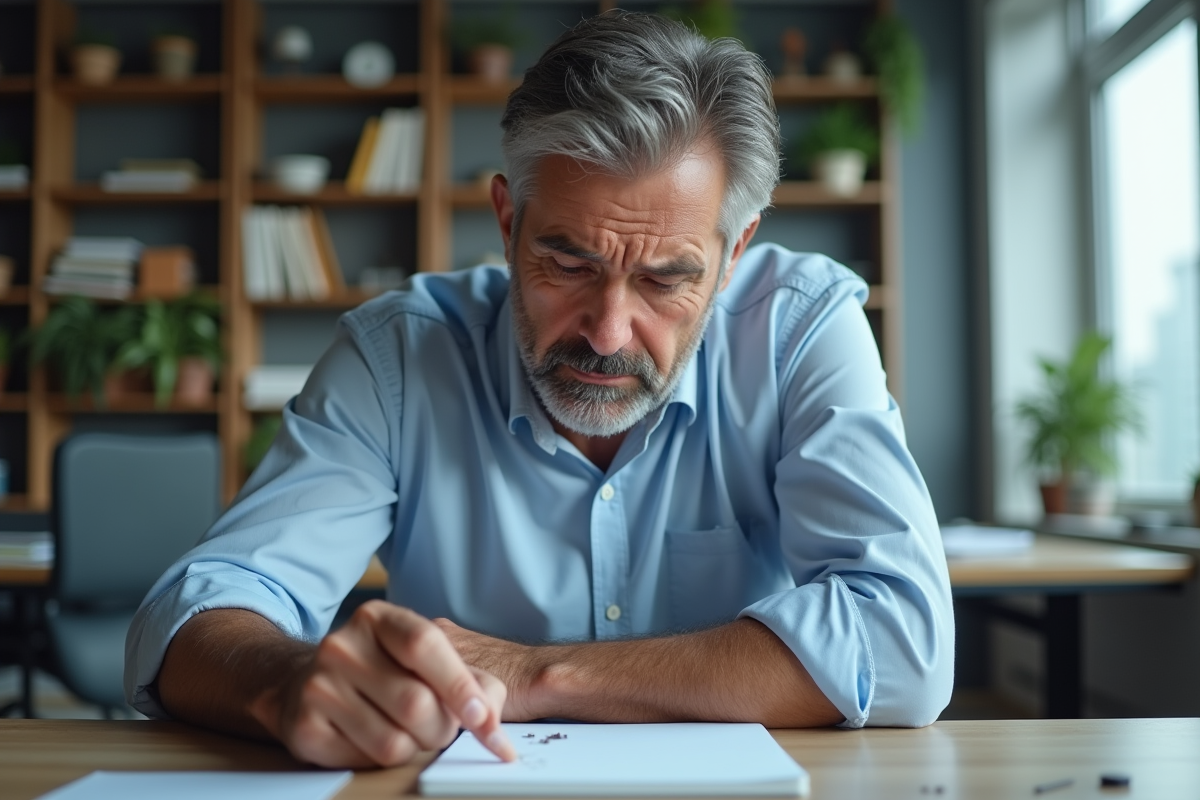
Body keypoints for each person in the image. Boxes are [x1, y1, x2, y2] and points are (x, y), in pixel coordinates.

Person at [125, 11, 953, 769]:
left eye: (667, 280)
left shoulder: (801, 329)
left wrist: (532, 672)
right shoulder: (400, 355)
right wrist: (286, 682)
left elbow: (905, 645)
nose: (607, 332)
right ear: (508, 221)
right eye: (568, 264)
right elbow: (196, 612)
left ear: (734, 254)